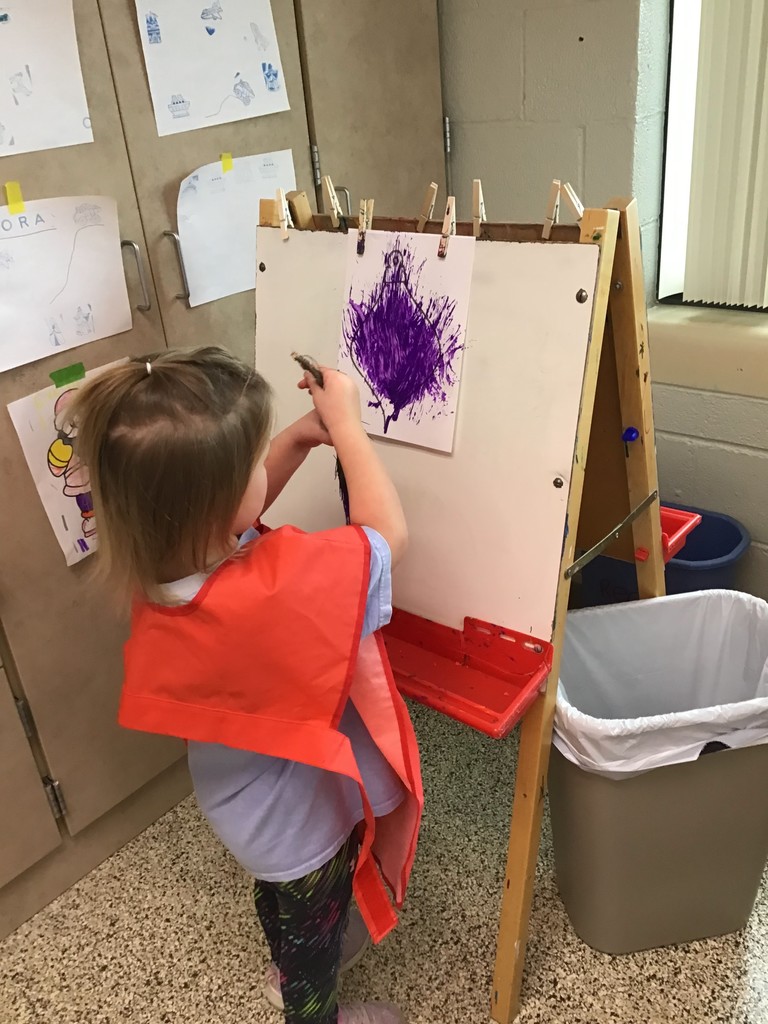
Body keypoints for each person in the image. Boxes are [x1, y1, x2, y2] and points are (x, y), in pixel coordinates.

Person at [69, 347, 423, 1024]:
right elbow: (387, 536)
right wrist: (348, 430)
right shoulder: (267, 594)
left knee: (282, 903)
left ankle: (287, 956)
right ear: (222, 502)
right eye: (254, 462)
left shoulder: (157, 569)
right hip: (299, 826)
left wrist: (293, 439)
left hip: (244, 809)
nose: (265, 469)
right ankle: (311, 1008)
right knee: (313, 939)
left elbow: (226, 509)